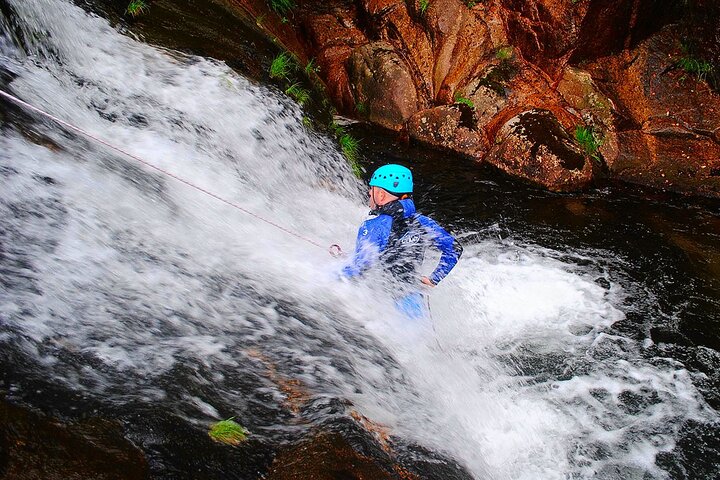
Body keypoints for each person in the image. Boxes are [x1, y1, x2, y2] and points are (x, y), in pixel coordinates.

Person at [341, 164, 463, 320]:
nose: (368, 193)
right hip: (411, 300)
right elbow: (454, 249)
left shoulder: (373, 225)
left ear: (381, 195)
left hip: (379, 302)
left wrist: (331, 278)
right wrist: (434, 278)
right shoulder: (422, 222)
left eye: (371, 189)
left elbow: (360, 267)